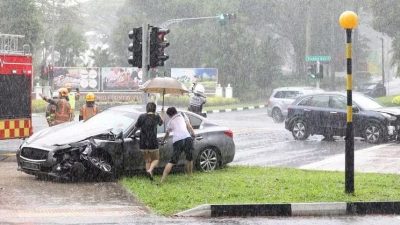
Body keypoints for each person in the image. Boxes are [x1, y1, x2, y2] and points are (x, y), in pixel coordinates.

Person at [160, 107, 195, 183]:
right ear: (176, 111)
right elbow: (189, 126)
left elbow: (167, 134)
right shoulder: (182, 115)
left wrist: (162, 141)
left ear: (169, 115)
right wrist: (193, 134)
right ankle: (190, 175)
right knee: (189, 158)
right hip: (187, 138)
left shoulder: (170, 122)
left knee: (172, 161)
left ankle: (162, 179)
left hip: (178, 141)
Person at [132, 102, 163, 180]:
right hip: (153, 142)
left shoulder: (141, 116)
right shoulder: (156, 116)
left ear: (147, 108)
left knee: (147, 161)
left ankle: (150, 176)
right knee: (156, 159)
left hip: (143, 143)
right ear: (154, 109)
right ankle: (150, 170)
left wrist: (133, 134)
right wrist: (162, 114)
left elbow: (136, 127)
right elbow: (161, 123)